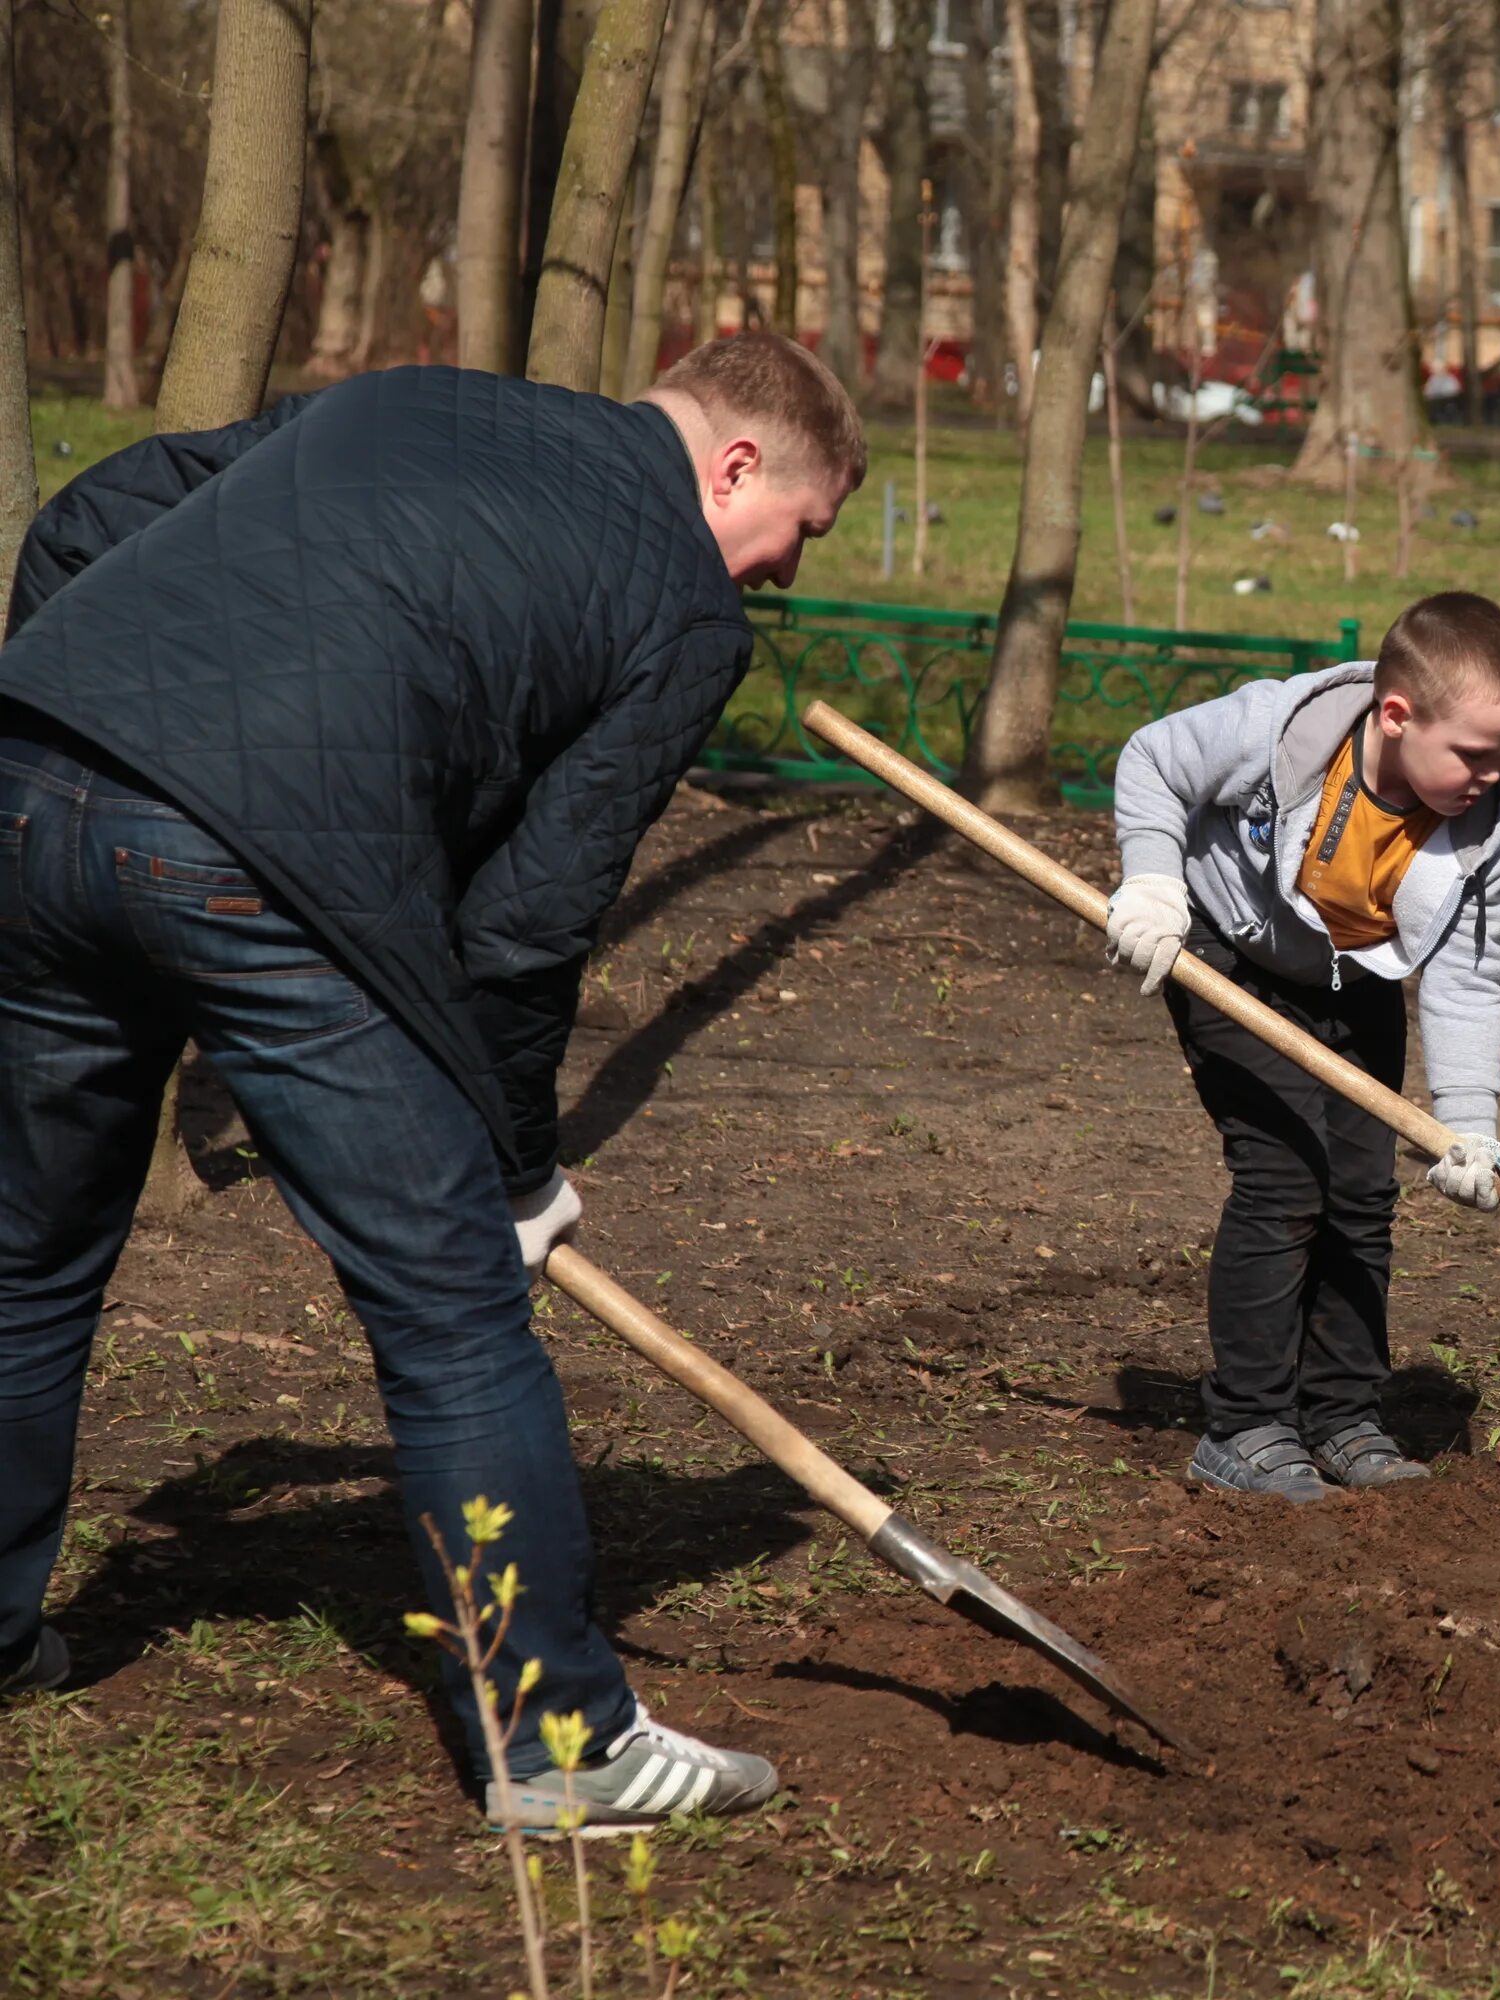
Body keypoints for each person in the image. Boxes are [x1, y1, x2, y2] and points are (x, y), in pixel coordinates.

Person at [0, 335, 863, 1833]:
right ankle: (566, 1748)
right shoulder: (685, 608)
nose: (779, 577)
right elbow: (527, 933)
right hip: (265, 858)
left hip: (28, 770)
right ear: (735, 470)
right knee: (456, 1304)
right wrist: (514, 1167)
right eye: (797, 535)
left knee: (21, 1260)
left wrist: (94, 721)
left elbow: (100, 507)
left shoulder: (411, 396)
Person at [1105, 593, 1500, 1501]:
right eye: (1474, 753)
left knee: (1362, 1190)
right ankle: (1246, 1426)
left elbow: (1464, 981)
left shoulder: (1489, 832)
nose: (1492, 777)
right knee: (1284, 1176)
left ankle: (1342, 1417)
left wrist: (1467, 1124)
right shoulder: (1278, 729)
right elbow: (1152, 760)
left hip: (1356, 978)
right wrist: (1150, 880)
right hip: (1230, 953)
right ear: (1396, 714)